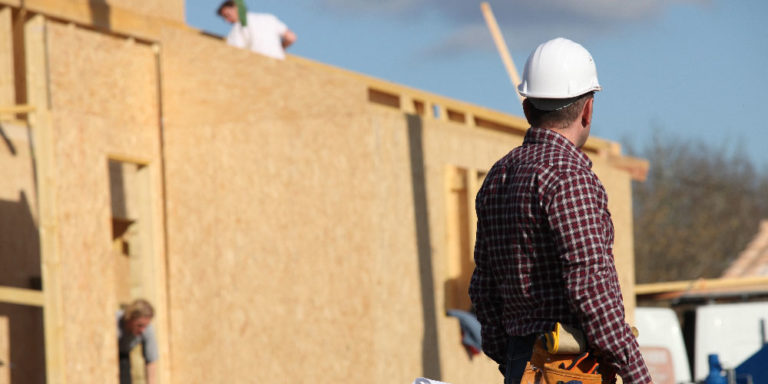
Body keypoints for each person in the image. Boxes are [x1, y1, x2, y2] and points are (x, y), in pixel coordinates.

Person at [468, 37, 652, 384]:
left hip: (521, 362)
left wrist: (512, 359)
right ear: (588, 110)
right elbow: (591, 285)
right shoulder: (569, 177)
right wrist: (636, 374)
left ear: (527, 110)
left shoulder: (499, 176)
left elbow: (484, 287)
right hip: (574, 369)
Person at [217, 0, 296, 60]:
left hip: (259, 66)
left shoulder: (239, 27)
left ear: (237, 8)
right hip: (279, 64)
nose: (227, 21)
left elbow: (234, 52)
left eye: (227, 15)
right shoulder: (268, 18)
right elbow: (291, 37)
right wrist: (281, 48)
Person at [117, 299, 158, 384]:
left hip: (124, 356)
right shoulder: (115, 321)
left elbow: (151, 361)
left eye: (145, 326)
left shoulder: (147, 329)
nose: (142, 330)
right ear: (129, 318)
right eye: (139, 325)